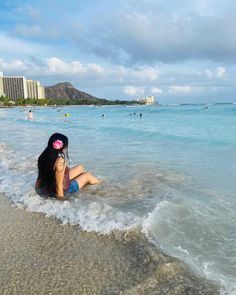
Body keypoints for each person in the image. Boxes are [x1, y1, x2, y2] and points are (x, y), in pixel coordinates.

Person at [35, 133, 100, 201]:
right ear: (62, 147)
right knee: (88, 175)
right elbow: (58, 186)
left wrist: (37, 190)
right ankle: (101, 188)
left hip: (48, 186)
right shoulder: (59, 161)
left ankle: (83, 183)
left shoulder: (43, 156)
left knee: (80, 167)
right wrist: (61, 202)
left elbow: (39, 177)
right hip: (64, 189)